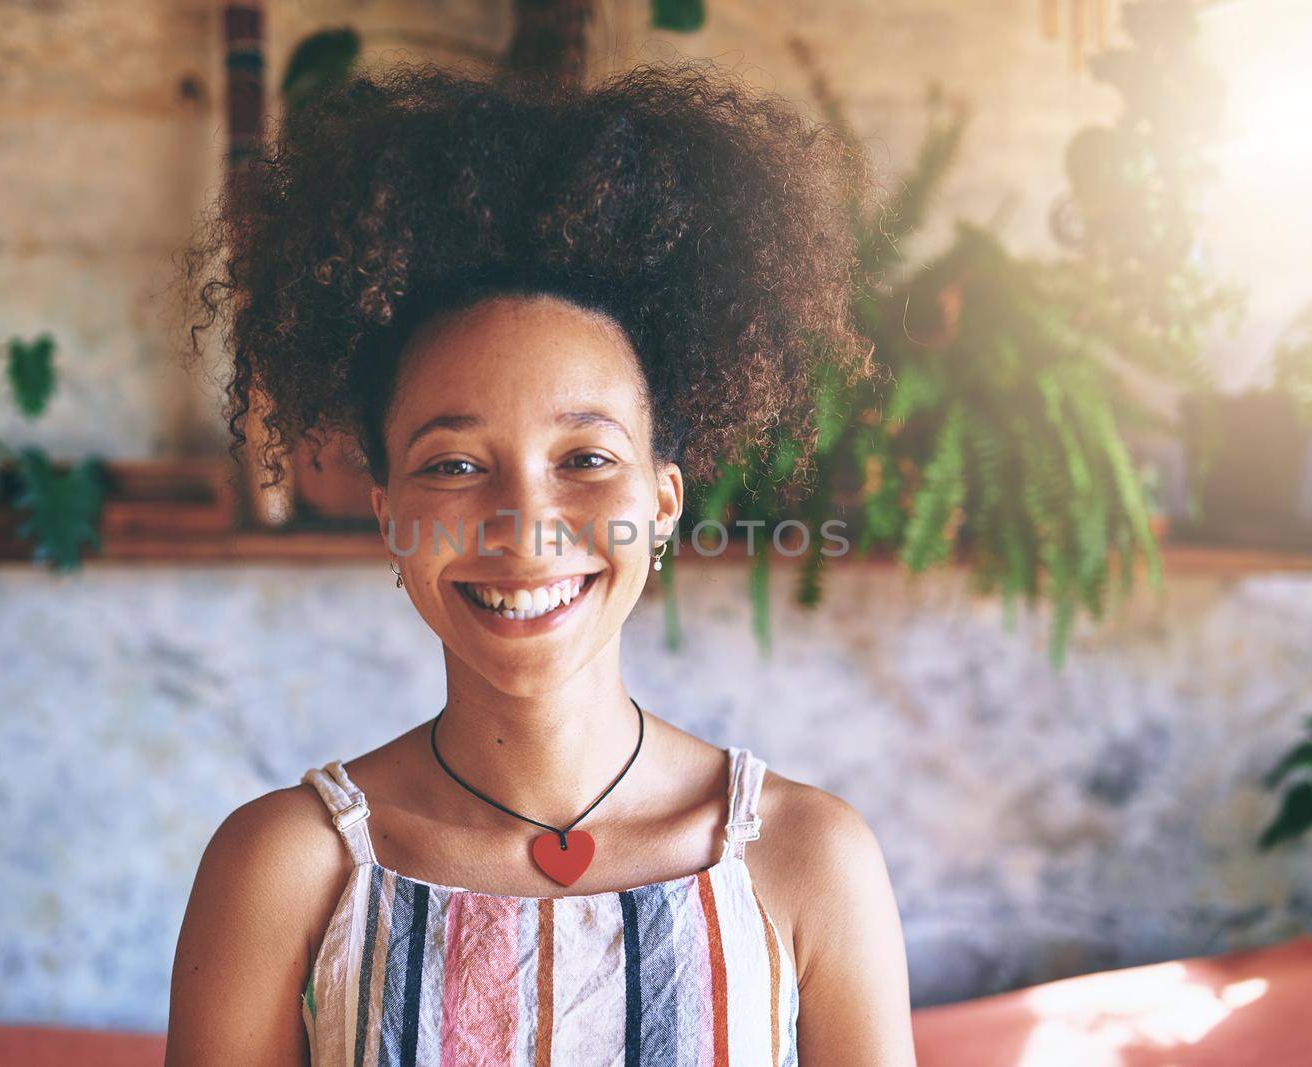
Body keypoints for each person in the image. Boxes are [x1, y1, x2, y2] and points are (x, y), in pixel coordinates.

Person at [166, 58, 915, 1066]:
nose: (523, 523)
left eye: (586, 459)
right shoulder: (287, 866)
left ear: (660, 503)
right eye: (456, 463)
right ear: (387, 513)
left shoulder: (804, 859)